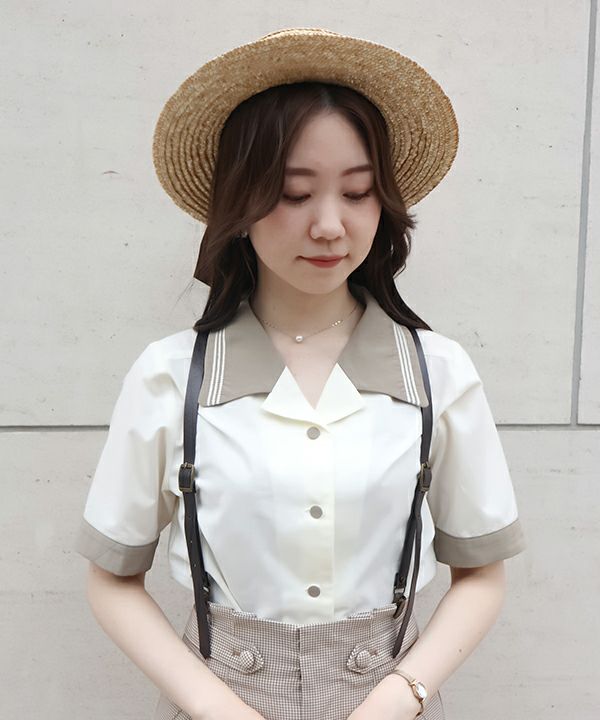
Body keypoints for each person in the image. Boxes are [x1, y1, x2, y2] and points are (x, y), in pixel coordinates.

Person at [73, 27, 527, 720]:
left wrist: (396, 698)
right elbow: (112, 578)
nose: (329, 225)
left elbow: (481, 572)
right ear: (240, 204)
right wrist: (216, 707)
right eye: (292, 194)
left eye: (358, 192)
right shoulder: (169, 377)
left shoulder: (437, 372)